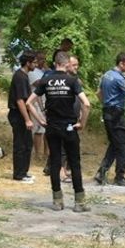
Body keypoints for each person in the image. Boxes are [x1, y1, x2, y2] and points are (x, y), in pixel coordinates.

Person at [29, 51, 91, 211]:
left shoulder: (46, 80)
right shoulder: (72, 81)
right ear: (67, 64)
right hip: (69, 127)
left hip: (52, 127)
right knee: (75, 163)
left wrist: (41, 120)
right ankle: (80, 203)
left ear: (55, 63)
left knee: (55, 163)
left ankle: (57, 201)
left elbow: (29, 103)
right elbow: (87, 104)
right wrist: (82, 123)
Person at [94, 53, 125, 187]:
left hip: (107, 112)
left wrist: (106, 104)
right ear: (121, 63)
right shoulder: (119, 79)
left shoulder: (106, 75)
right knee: (121, 146)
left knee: (114, 144)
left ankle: (101, 172)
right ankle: (119, 177)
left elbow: (98, 93)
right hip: (116, 115)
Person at [8, 51, 36, 183]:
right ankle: (18, 174)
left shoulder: (25, 76)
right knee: (20, 144)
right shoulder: (19, 77)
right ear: (28, 63)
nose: (36, 64)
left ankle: (24, 171)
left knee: (28, 144)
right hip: (18, 115)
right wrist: (27, 119)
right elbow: (20, 100)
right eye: (34, 62)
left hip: (23, 114)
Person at [29, 51, 47, 168]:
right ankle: (38, 154)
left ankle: (46, 153)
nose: (42, 62)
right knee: (38, 130)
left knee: (45, 130)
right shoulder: (32, 72)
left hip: (45, 103)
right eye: (40, 59)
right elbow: (38, 84)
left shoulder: (42, 71)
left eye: (44, 59)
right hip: (35, 104)